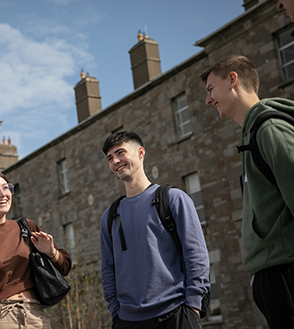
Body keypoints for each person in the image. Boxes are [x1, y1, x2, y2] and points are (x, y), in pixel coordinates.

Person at [201, 55, 294, 328]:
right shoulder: (253, 132)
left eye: (210, 89)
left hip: (285, 273)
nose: (207, 100)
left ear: (232, 80)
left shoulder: (270, 129)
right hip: (273, 275)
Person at [100, 131, 210, 329]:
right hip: (127, 320)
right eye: (110, 158)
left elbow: (196, 254)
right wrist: (115, 311)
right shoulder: (109, 216)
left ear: (141, 153)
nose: (115, 161)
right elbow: (108, 268)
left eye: (120, 153)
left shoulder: (174, 199)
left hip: (176, 314)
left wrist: (193, 306)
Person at [0, 171, 72, 329]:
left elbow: (65, 267)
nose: (3, 194)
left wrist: (51, 252)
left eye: (6, 188)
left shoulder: (27, 228)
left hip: (36, 316)